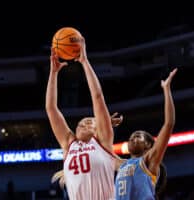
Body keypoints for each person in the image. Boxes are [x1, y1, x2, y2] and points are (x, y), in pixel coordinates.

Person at [46, 36, 117, 200]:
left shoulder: (103, 141)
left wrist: (84, 62)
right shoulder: (68, 144)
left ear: (98, 128)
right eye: (80, 123)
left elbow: (98, 97)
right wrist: (53, 73)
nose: (83, 124)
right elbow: (51, 109)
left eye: (89, 122)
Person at [115, 68, 177, 200]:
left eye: (138, 136)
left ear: (148, 145)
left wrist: (166, 89)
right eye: (132, 137)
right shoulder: (122, 164)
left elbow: (169, 124)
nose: (133, 138)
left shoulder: (149, 161)